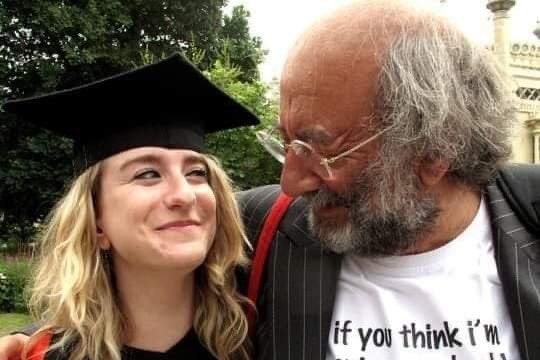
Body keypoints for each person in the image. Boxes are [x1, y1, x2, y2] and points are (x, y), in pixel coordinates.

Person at [2, 0, 540, 359]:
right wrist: (41, 342)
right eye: (286, 143)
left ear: (434, 151)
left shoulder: (528, 222)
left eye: (321, 147)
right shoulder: (273, 227)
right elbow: (139, 262)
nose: (291, 183)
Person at [0, 53, 259, 360]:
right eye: (147, 174)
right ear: (96, 221)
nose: (185, 194)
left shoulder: (258, 340)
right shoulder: (41, 356)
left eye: (196, 173)